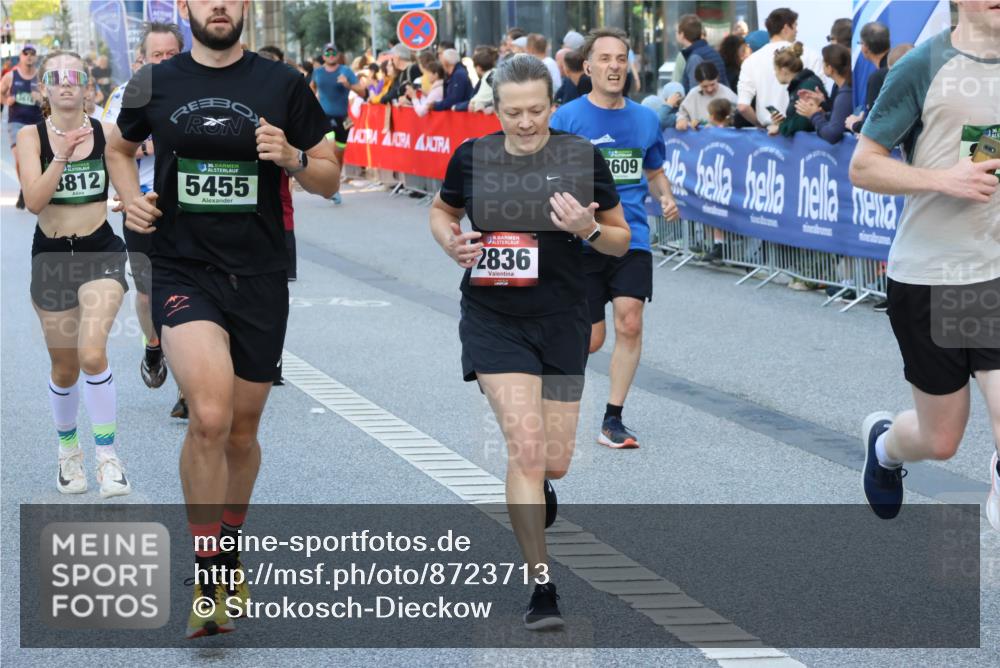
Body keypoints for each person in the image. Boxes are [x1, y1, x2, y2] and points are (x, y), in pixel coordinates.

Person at [106, 0, 338, 638]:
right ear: (186, 7)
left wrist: (291, 156)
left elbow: (328, 174)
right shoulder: (154, 80)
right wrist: (130, 200)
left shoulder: (283, 84)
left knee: (241, 430)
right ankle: (208, 575)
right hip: (183, 268)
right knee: (208, 416)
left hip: (260, 276)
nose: (217, 5)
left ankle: (229, 548)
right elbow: (119, 147)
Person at [431, 53, 630, 629]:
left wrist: (587, 230)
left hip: (563, 318)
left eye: (536, 110)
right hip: (494, 318)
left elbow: (619, 241)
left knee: (555, 463)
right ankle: (541, 585)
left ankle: (539, 482)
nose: (524, 122)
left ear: (552, 105)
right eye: (513, 112)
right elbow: (442, 214)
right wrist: (451, 243)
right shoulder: (472, 157)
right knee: (525, 447)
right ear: (494, 109)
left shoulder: (579, 157)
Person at [848, 0, 1000, 523]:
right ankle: (886, 447)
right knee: (940, 440)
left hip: (993, 274)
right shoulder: (922, 66)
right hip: (931, 276)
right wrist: (944, 179)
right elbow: (863, 166)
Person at [551, 28, 679, 449]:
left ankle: (613, 419)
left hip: (630, 237)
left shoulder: (645, 118)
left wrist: (666, 198)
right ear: (587, 67)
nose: (614, 66)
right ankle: (551, 388)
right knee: (591, 338)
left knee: (630, 320)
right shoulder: (566, 119)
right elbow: (542, 175)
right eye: (604, 58)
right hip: (580, 242)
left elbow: (654, 167)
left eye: (621, 58)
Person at [17, 51, 132, 499]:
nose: (66, 83)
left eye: (75, 76)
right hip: (51, 256)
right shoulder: (31, 137)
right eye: (55, 77)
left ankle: (108, 457)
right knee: (64, 367)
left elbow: (127, 191)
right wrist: (61, 156)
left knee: (91, 354)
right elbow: (35, 200)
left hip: (99, 250)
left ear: (89, 86)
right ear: (44, 89)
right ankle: (69, 450)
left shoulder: (109, 133)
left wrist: (135, 201)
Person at [101, 21, 183, 395]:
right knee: (149, 291)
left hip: (188, 205)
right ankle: (153, 347)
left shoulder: (195, 89)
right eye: (157, 55)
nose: (164, 62)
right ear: (141, 60)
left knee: (195, 288)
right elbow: (113, 148)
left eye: (171, 55)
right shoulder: (124, 95)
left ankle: (189, 386)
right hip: (142, 203)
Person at [737, 7, 827, 128]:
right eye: (795, 26)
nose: (797, 30)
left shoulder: (751, 61)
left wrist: (759, 125)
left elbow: (743, 106)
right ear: (786, 28)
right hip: (805, 132)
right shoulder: (811, 55)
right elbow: (821, 96)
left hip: (768, 133)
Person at [311, 42, 365, 203]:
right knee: (329, 149)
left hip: (343, 119)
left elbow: (362, 92)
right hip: (324, 119)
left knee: (339, 154)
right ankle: (327, 183)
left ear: (338, 54)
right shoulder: (318, 72)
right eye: (327, 53)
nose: (330, 55)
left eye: (333, 52)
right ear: (323, 56)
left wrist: (347, 85)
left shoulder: (345, 71)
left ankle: (335, 187)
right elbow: (310, 90)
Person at [2, 43, 43, 210]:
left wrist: (40, 98)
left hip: (36, 122)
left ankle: (32, 188)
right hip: (16, 121)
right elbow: (1, 92)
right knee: (20, 158)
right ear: (20, 56)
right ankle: (25, 189)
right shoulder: (12, 76)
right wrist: (6, 101)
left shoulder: (40, 77)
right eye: (26, 53)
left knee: (38, 159)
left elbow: (49, 98)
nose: (29, 56)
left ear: (36, 57)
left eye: (32, 53)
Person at [795, 43, 852, 144]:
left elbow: (832, 134)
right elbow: (841, 118)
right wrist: (823, 104)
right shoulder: (845, 89)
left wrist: (814, 115)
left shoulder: (845, 94)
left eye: (823, 63)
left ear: (830, 68)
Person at [766, 42, 825, 137]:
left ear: (783, 70)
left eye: (775, 70)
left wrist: (781, 127)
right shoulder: (800, 85)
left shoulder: (806, 85)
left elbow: (805, 121)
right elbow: (801, 117)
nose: (775, 74)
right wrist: (784, 122)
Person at [847, 22, 891, 134]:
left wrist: (854, 125)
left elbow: (875, 125)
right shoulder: (897, 66)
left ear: (865, 47)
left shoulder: (878, 77)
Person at [675, 62, 737, 131]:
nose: (709, 89)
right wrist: (682, 120)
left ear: (717, 78)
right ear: (698, 82)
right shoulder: (693, 94)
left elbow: (736, 119)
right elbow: (682, 113)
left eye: (712, 84)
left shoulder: (728, 95)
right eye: (704, 86)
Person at [676, 14, 729, 92]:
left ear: (682, 34)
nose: (676, 34)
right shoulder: (712, 51)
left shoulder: (695, 58)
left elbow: (696, 94)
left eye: (677, 31)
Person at [462, 46, 498, 112]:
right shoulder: (494, 73)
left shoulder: (489, 77)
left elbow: (481, 98)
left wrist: (472, 103)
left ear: (478, 68)